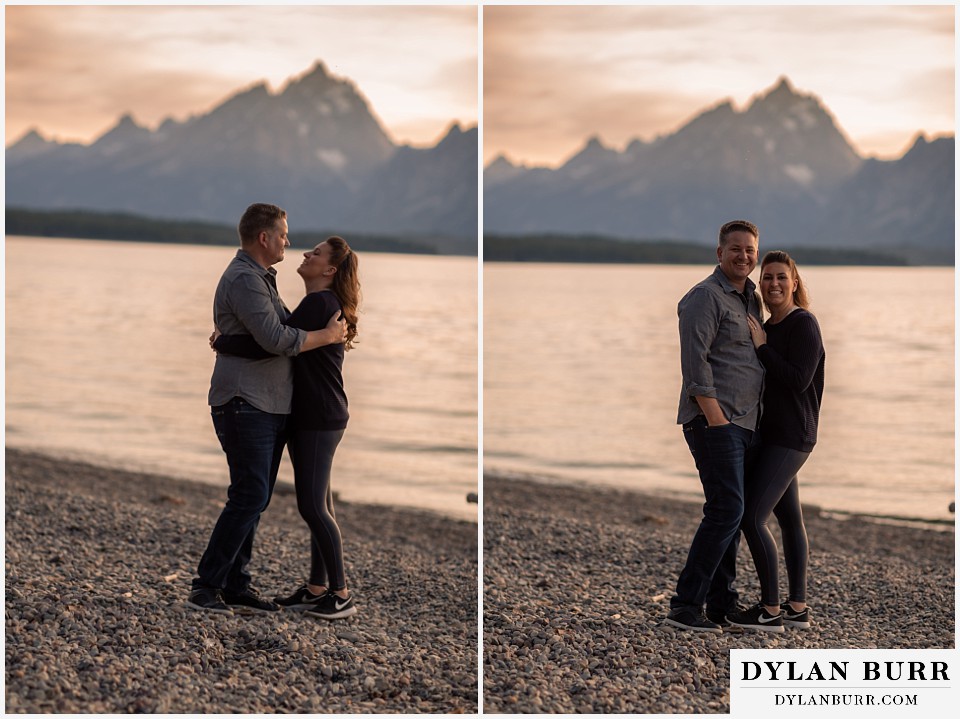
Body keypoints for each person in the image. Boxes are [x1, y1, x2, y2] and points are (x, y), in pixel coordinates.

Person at [187, 203, 346, 616]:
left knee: (255, 498)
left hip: (267, 404)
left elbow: (271, 337)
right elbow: (279, 339)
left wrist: (226, 342)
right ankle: (206, 586)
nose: (288, 242)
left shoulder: (262, 280)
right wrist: (328, 335)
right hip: (244, 402)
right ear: (264, 238)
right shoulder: (244, 279)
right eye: (283, 234)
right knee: (249, 495)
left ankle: (237, 584)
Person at [665, 220, 765, 633]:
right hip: (715, 422)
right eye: (735, 249)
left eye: (750, 250)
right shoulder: (704, 297)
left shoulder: (750, 299)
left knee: (733, 511)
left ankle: (722, 603)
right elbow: (695, 364)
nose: (744, 256)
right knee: (726, 510)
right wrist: (716, 419)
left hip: (745, 422)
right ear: (719, 253)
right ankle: (686, 607)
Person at [726, 251, 824, 632]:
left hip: (793, 436)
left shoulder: (803, 324)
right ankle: (797, 607)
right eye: (767, 278)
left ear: (795, 282)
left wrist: (762, 347)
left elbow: (799, 380)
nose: (774, 284)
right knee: (788, 518)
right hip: (775, 435)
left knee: (752, 517)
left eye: (782, 277)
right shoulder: (771, 326)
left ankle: (770, 611)